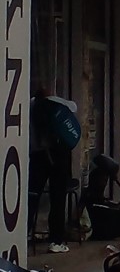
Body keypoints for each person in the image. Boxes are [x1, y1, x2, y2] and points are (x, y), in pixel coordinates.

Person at [28, 88, 78, 253]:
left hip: (37, 155)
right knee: (58, 197)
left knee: (32, 195)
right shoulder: (56, 102)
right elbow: (74, 107)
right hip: (58, 155)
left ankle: (25, 233)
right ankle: (56, 241)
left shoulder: (29, 105)